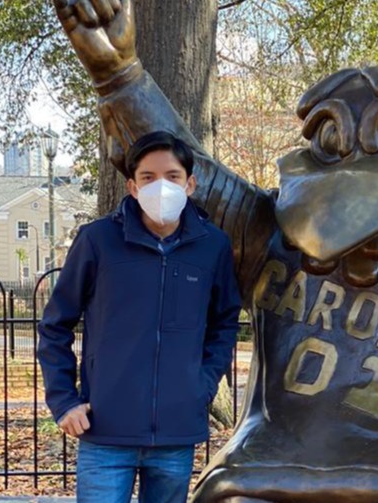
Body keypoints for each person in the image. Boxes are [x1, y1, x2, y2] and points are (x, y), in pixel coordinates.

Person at [37, 131, 242, 503]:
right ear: (132, 186)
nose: (160, 186)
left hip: (176, 434)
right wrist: (63, 401)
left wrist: (204, 386)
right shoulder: (97, 241)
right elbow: (55, 325)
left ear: (190, 183)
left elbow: (225, 322)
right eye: (148, 177)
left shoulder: (213, 247)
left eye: (172, 176)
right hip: (105, 431)